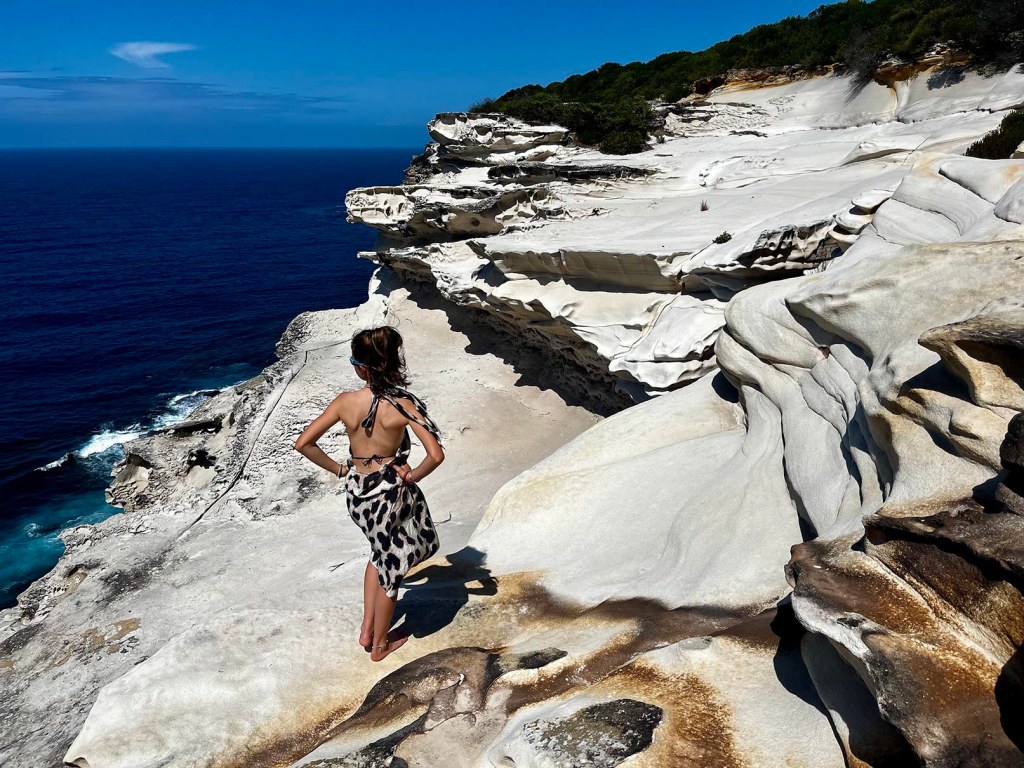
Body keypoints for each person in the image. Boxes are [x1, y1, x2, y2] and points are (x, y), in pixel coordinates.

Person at [293, 326, 445, 662]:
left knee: (378, 555)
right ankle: (379, 646)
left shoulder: (345, 402)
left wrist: (340, 469)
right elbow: (435, 455)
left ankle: (367, 630)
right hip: (389, 494)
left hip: (358, 494)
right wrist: (411, 475)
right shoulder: (403, 405)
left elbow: (303, 443)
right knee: (392, 567)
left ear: (361, 368)